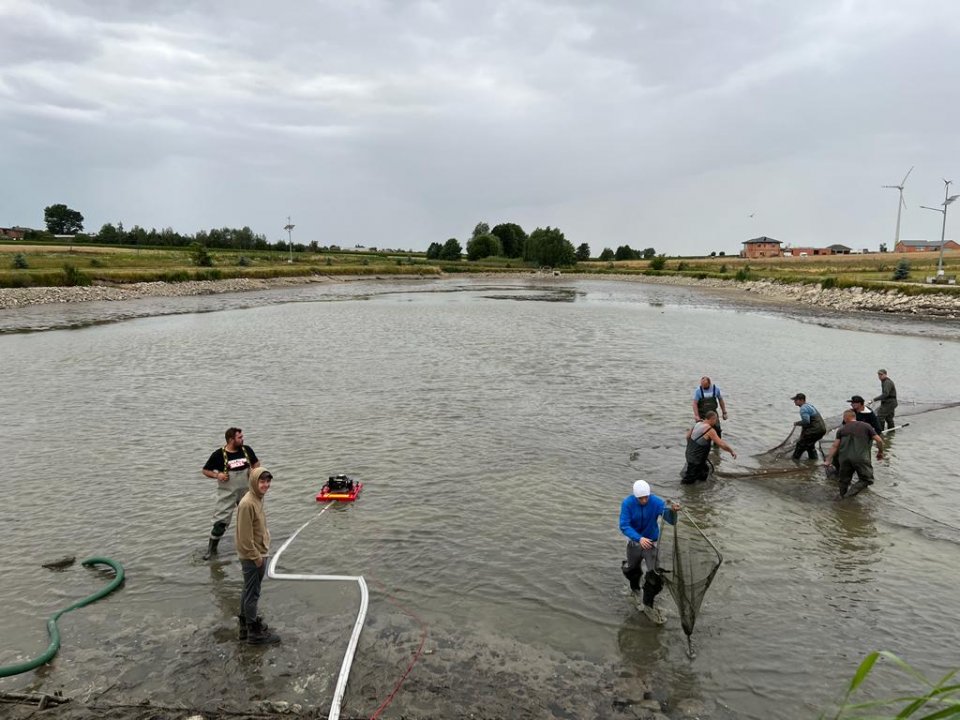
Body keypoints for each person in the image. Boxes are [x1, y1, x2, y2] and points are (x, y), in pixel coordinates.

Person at [619, 480, 681, 625]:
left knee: (654, 574)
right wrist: (639, 538)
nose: (644, 500)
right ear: (635, 497)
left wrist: (673, 511)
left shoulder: (656, 502)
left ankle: (648, 603)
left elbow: (671, 521)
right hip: (635, 542)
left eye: (646, 497)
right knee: (632, 570)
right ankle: (635, 589)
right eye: (641, 498)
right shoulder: (627, 504)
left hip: (651, 543)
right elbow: (624, 525)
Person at [236, 467, 281, 645]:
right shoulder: (247, 503)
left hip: (257, 552)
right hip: (253, 556)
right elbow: (245, 537)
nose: (266, 485)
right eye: (262, 482)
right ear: (254, 482)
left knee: (248, 590)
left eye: (268, 482)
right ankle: (254, 633)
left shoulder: (256, 499)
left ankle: (245, 625)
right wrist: (256, 557)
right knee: (253, 593)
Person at [202, 427, 260, 560]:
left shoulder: (247, 450)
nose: (242, 439)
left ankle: (252, 545)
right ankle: (212, 550)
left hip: (246, 491)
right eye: (239, 437)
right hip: (227, 493)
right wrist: (218, 475)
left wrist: (254, 471)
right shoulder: (218, 455)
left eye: (242, 436)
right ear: (231, 440)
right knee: (220, 523)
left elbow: (256, 463)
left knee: (251, 519)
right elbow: (205, 471)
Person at [823, 410, 884, 499]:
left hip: (844, 459)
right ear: (854, 417)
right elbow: (879, 440)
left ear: (846, 418)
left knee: (843, 481)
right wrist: (880, 452)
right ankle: (848, 496)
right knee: (866, 480)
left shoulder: (842, 429)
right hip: (860, 458)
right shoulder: (866, 426)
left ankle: (842, 497)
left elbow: (835, 446)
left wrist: (828, 460)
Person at [682, 411, 737, 483]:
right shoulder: (709, 430)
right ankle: (683, 492)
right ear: (712, 419)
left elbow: (687, 437)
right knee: (688, 481)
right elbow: (721, 444)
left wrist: (692, 449)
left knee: (705, 471)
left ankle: (701, 491)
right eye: (716, 419)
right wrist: (731, 451)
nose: (716, 421)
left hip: (689, 454)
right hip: (696, 460)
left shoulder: (697, 424)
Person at [790, 393, 827, 460]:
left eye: (796, 400)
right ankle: (813, 461)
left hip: (814, 430)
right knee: (810, 445)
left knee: (800, 444)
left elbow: (806, 422)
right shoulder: (809, 405)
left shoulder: (803, 408)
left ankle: (794, 459)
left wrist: (797, 423)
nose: (794, 401)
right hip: (822, 429)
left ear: (801, 400)